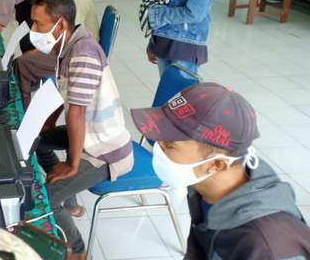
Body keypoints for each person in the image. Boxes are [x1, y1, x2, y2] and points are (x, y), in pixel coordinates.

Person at [130, 83, 310, 259]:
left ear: (217, 164)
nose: (157, 146)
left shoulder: (267, 247)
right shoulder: (205, 188)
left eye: (169, 145)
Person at [31, 0, 133, 260]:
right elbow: (60, 95)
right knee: (38, 142)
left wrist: (72, 164)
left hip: (104, 150)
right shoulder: (68, 46)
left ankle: (76, 250)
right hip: (89, 135)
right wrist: (42, 126)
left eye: (38, 23)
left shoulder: (83, 53)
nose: (33, 29)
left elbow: (75, 114)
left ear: (61, 24)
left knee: (46, 199)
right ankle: (72, 200)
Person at [13, 0, 97, 110]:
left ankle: (20, 113)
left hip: (74, 55)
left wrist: (36, 51)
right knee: (26, 43)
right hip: (65, 48)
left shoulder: (77, 2)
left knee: (21, 64)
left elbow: (69, 38)